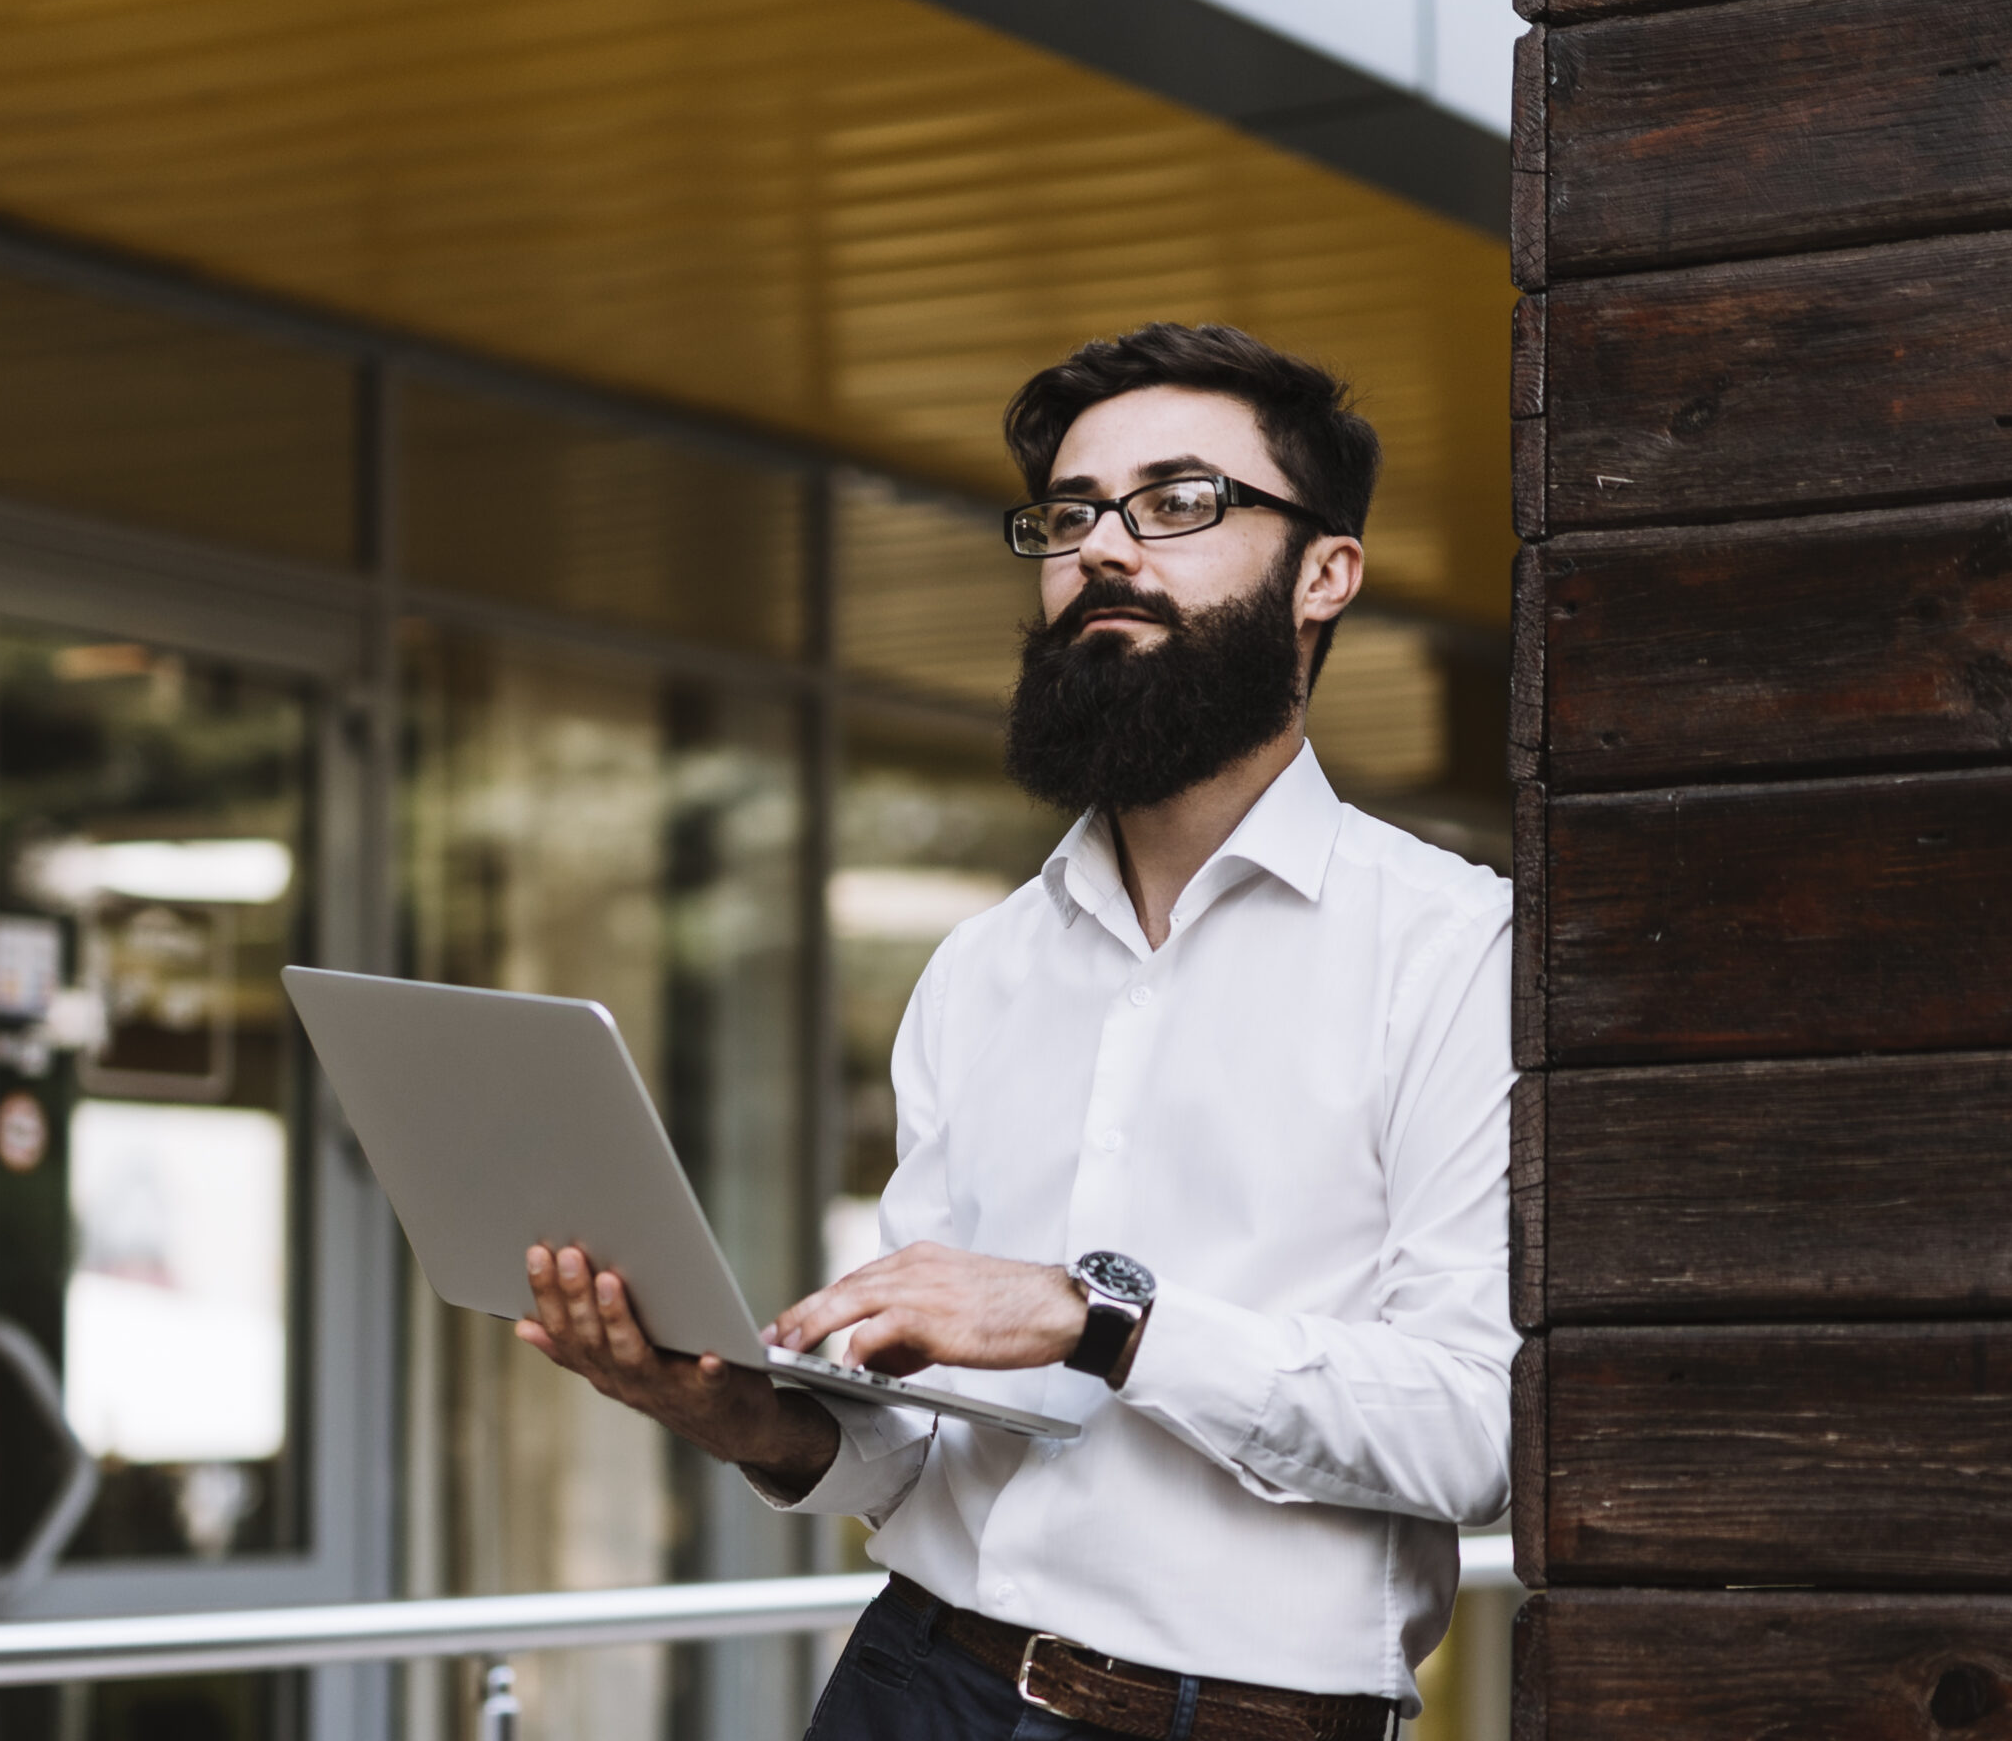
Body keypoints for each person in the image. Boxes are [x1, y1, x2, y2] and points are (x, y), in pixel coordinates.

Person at [517, 323, 1515, 1738]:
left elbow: (1478, 1430)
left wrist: (1099, 1319)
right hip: (914, 1684)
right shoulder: (979, 970)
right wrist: (751, 1422)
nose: (1104, 550)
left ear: (1325, 574)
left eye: (1179, 503)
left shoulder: (1457, 952)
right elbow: (923, 1455)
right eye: (1070, 514)